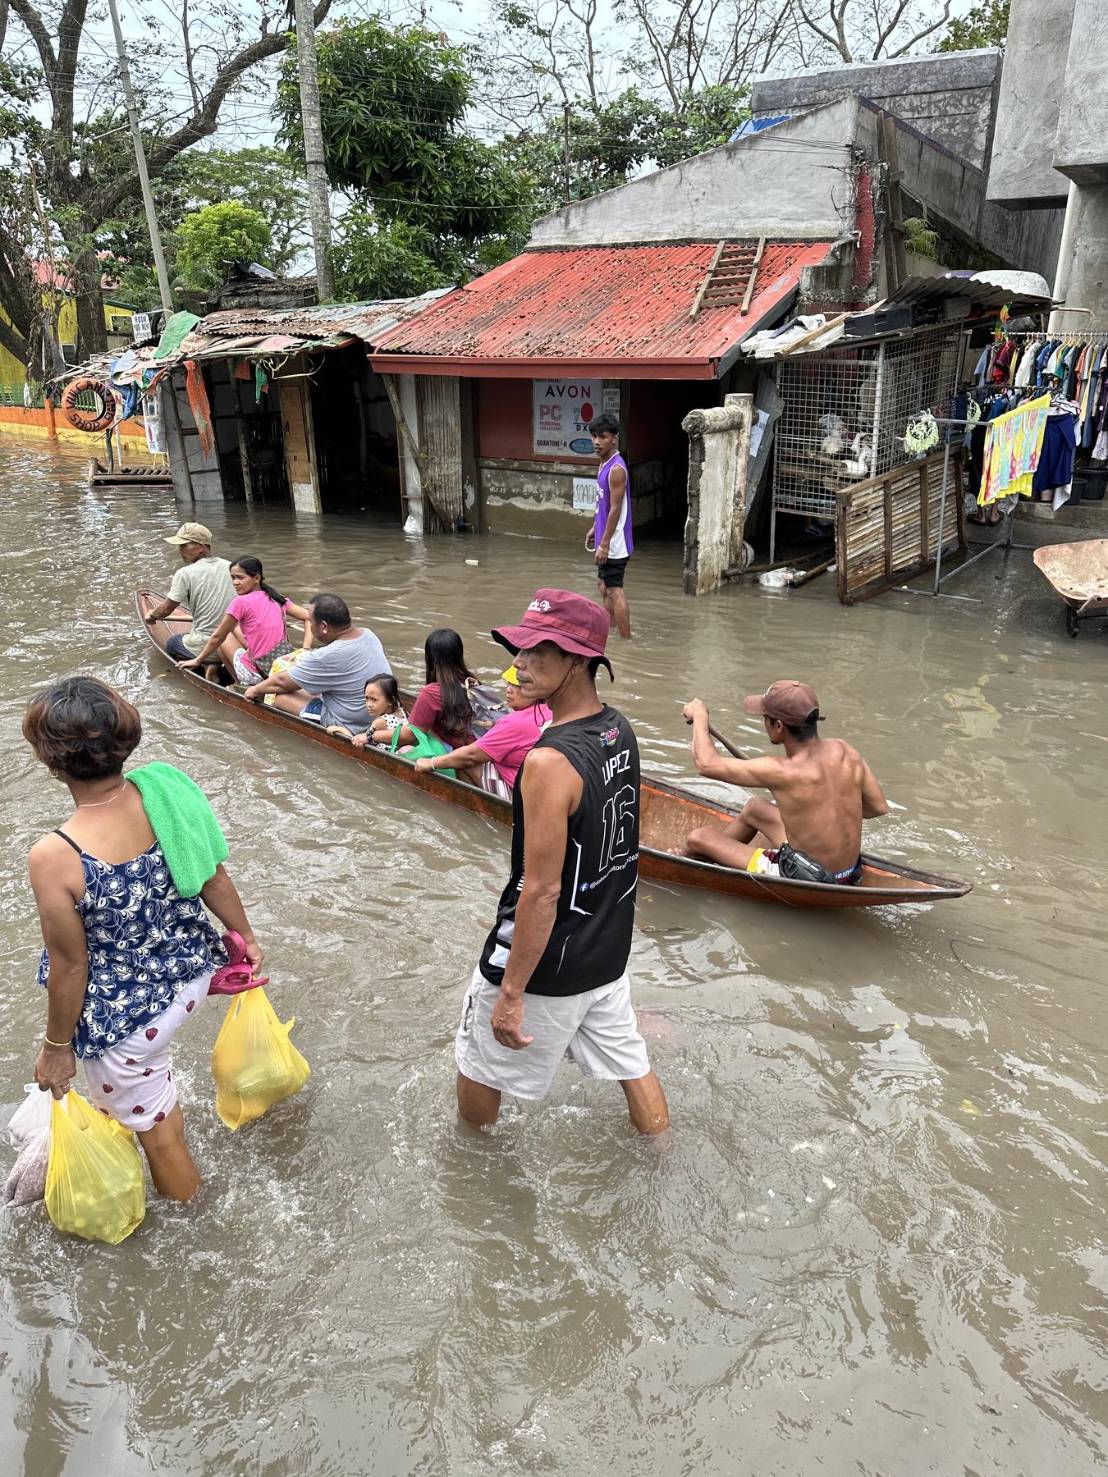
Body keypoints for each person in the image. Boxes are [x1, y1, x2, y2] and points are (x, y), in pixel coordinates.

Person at [23, 676, 262, 1203]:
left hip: (128, 1023)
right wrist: (243, 935)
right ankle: (153, 1095)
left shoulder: (54, 855)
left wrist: (56, 1050)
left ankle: (194, 1225)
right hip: (191, 979)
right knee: (149, 1097)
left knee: (160, 1136)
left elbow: (70, 967)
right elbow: (211, 875)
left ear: (51, 762)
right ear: (124, 738)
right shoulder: (161, 790)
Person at [453, 589, 669, 1136]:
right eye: (518, 651)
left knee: (479, 1072)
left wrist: (511, 994)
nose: (518, 666)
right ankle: (661, 1159)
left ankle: (475, 1180)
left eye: (537, 653)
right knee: (632, 1065)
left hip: (550, 960)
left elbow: (541, 891)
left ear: (578, 661)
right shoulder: (618, 728)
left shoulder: (548, 761)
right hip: (606, 948)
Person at [681, 681, 889, 884]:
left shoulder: (781, 770)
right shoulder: (846, 750)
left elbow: (705, 764)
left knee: (698, 838)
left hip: (808, 875)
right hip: (851, 872)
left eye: (765, 718)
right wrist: (822, 813)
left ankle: (685, 865)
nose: (764, 723)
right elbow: (877, 807)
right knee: (756, 808)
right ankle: (717, 858)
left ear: (779, 726)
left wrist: (700, 716)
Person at [242, 594, 391, 729]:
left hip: (351, 723)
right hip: (381, 713)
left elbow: (281, 681)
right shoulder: (368, 634)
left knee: (280, 697)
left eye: (310, 622)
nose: (310, 626)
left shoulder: (327, 655)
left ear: (324, 627)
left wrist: (254, 690)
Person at [414, 665, 551, 797]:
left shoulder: (515, 722)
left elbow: (471, 755)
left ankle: (470, 808)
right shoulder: (550, 710)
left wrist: (431, 763)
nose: (509, 690)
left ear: (535, 692)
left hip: (519, 792)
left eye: (517, 686)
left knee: (462, 763)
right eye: (509, 684)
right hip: (540, 785)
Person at [178, 555, 314, 683]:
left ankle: (239, 683)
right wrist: (305, 648)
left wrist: (197, 660)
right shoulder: (276, 597)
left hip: (259, 673)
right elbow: (309, 617)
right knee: (234, 629)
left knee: (225, 637)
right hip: (283, 665)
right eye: (233, 578)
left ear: (256, 578)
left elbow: (217, 637)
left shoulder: (240, 602)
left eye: (240, 578)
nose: (235, 583)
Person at [144, 522, 235, 664]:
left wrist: (152, 616)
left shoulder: (184, 573)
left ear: (201, 547)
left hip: (208, 648)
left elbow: (166, 609)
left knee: (173, 643)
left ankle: (206, 665)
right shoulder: (233, 567)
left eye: (184, 545)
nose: (180, 551)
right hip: (234, 645)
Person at [588, 414, 633, 640]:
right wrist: (594, 528)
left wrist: (604, 544)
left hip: (615, 541)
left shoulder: (616, 469)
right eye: (594, 436)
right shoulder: (603, 463)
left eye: (602, 437)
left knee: (614, 590)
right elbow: (603, 504)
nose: (597, 442)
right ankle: (609, 633)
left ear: (614, 439)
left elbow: (615, 509)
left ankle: (626, 641)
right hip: (605, 536)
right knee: (603, 586)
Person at [397, 628, 475, 750]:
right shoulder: (472, 682)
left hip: (457, 754)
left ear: (430, 658)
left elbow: (411, 736)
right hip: (475, 747)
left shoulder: (431, 693)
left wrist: (373, 735)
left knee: (404, 749)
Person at [350, 674, 407, 748]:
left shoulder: (380, 722)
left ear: (391, 700)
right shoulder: (401, 711)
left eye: (374, 699)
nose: (369, 704)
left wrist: (341, 730)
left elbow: (359, 741)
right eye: (367, 698)